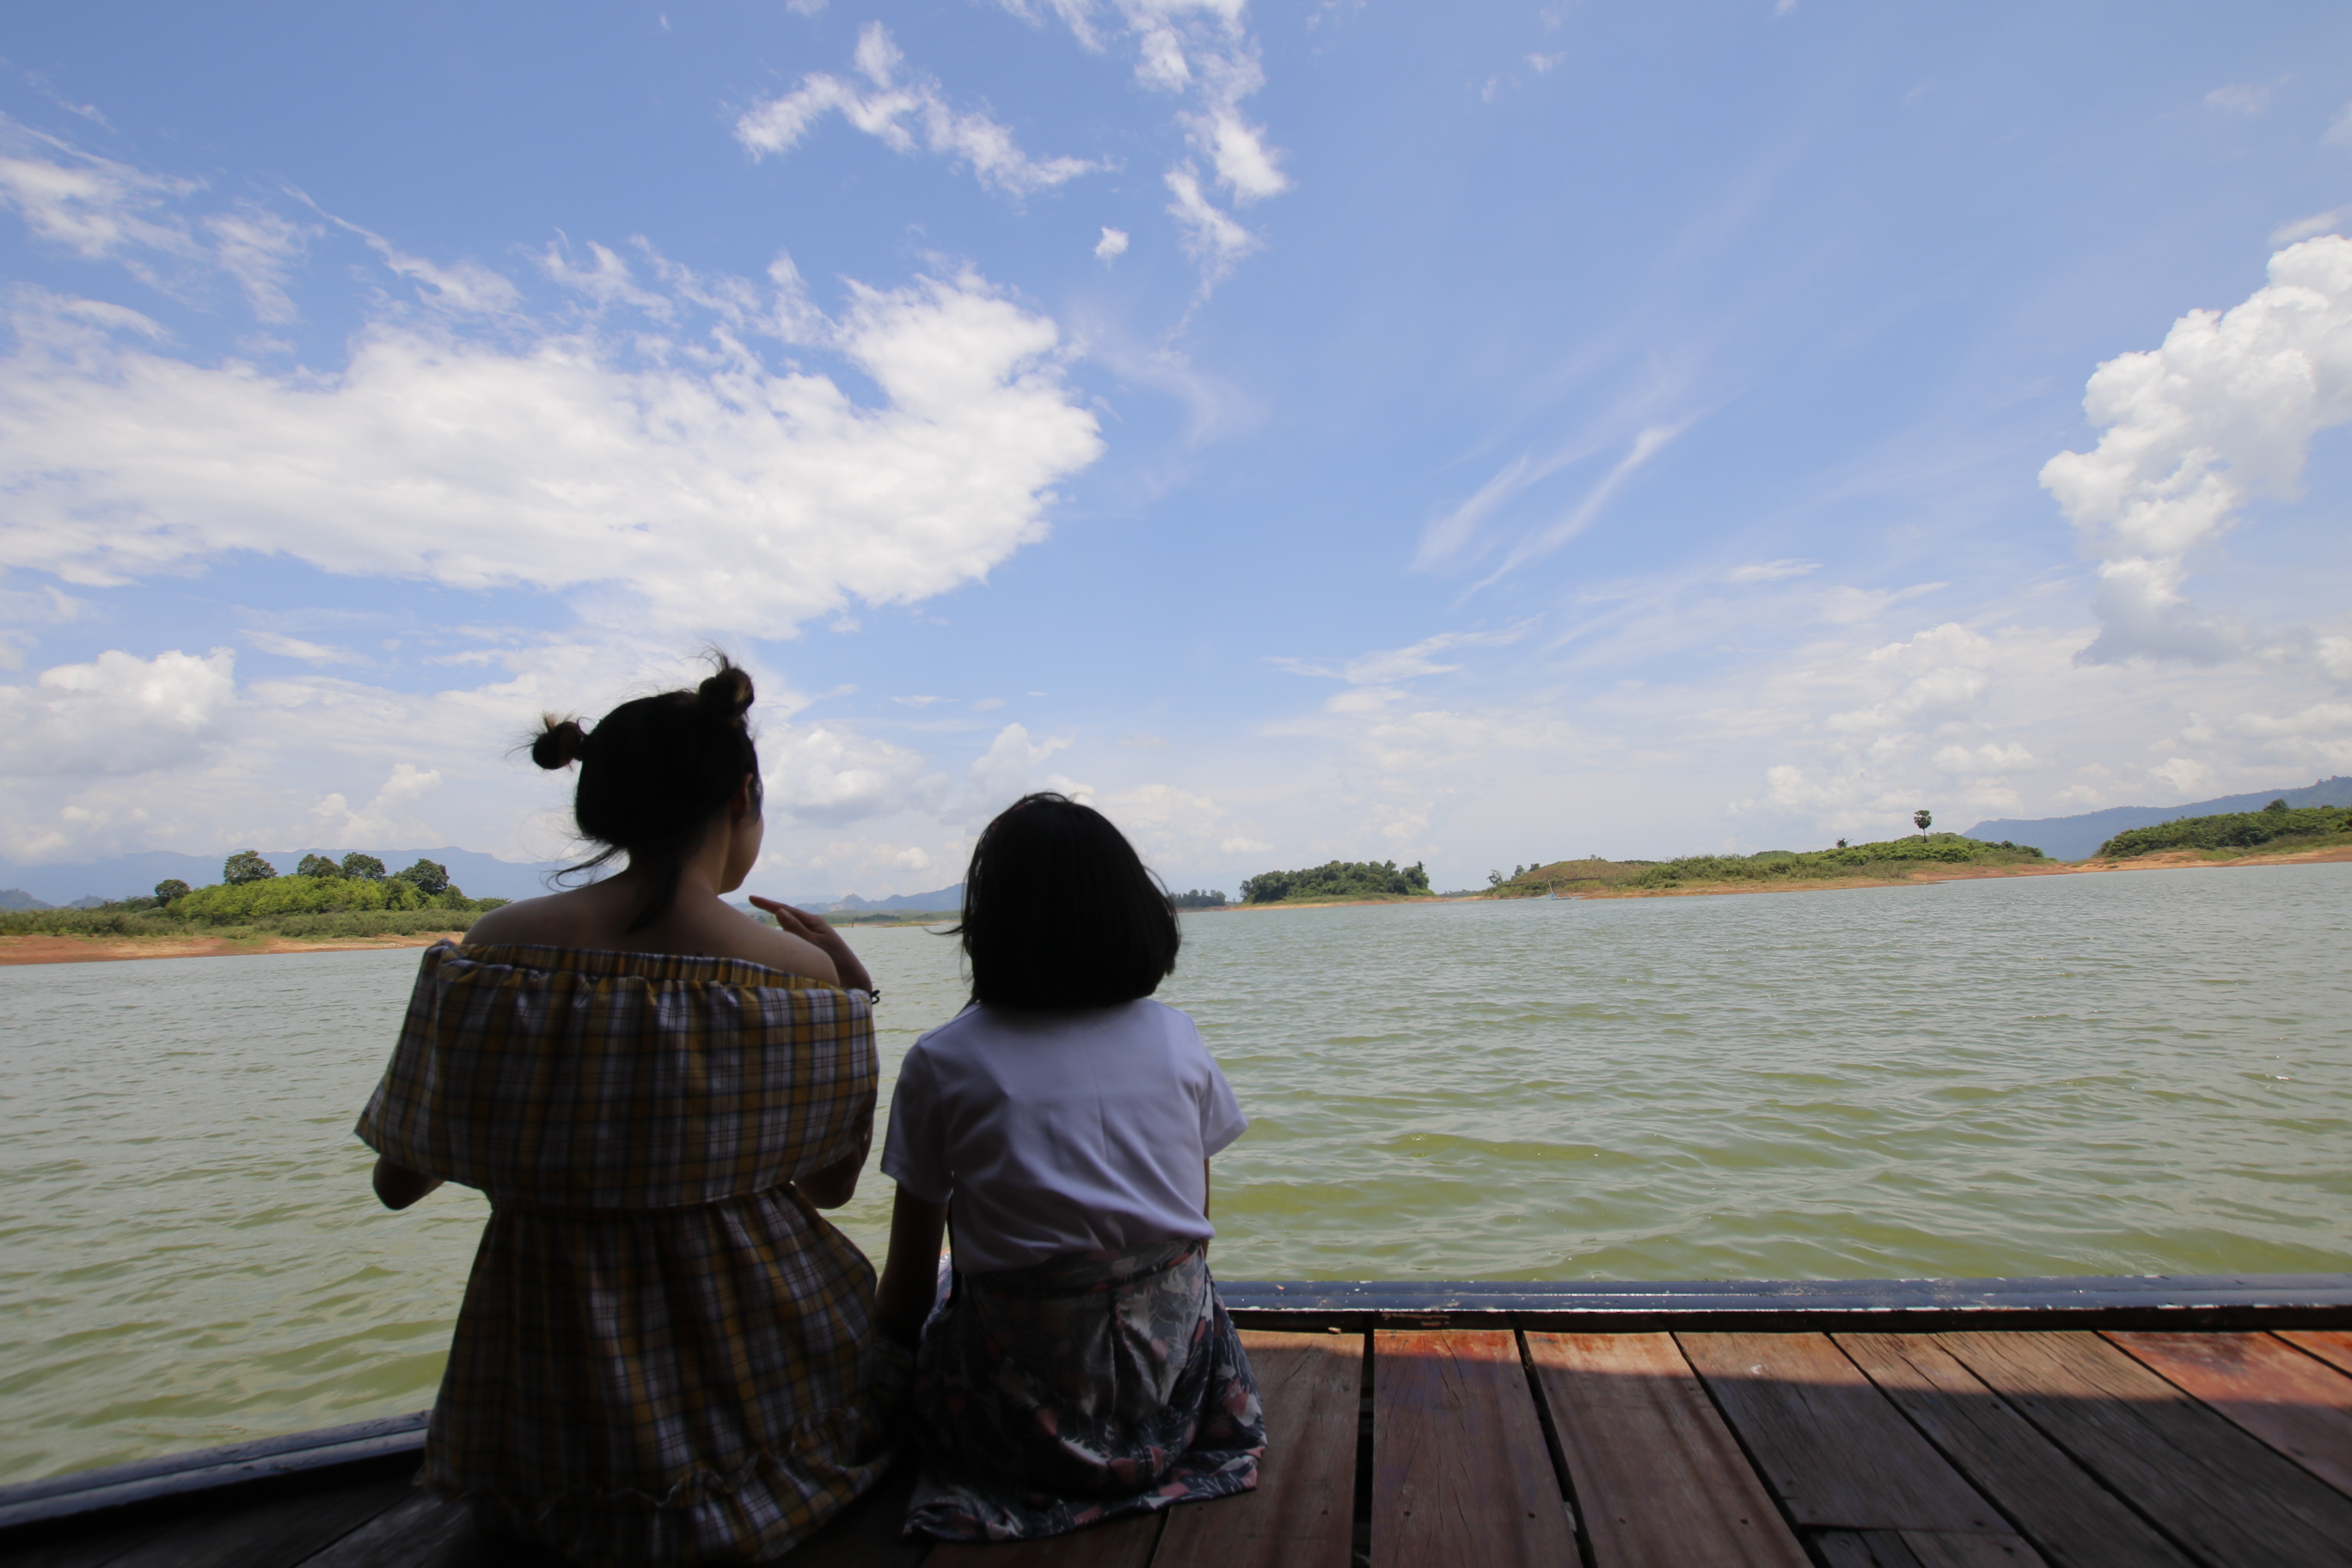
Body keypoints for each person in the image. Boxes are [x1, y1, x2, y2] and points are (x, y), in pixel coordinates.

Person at [356, 658, 901, 1565]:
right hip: (773, 1412)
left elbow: (397, 1182)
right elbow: (834, 1190)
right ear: (741, 799)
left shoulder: (490, 953)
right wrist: (852, 988)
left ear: (595, 804)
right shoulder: (799, 976)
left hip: (547, 1439)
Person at [872, 792, 1264, 1542]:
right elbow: (1197, 1232)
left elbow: (909, 1290)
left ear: (993, 925)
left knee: (959, 1280)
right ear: (1134, 914)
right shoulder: (1177, 1039)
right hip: (1175, 1403)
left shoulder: (943, 1061)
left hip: (1016, 1430)